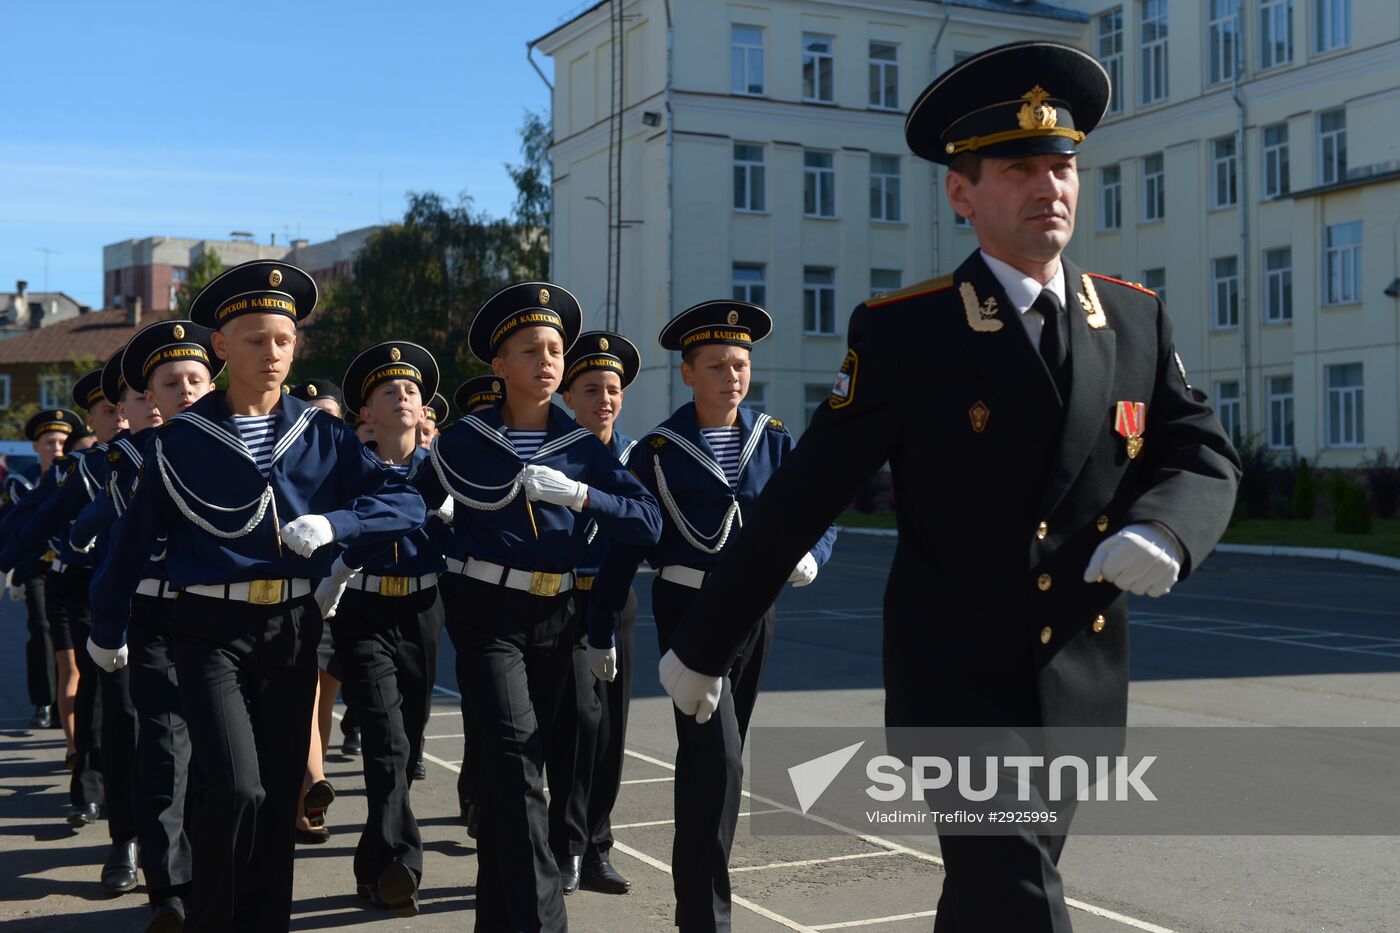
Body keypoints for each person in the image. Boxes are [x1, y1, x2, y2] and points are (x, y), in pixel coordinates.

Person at [659, 41, 1243, 933]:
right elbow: (803, 494)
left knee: (987, 898)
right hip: (957, 682)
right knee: (1018, 899)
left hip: (1076, 676)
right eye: (1020, 167)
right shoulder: (909, 332)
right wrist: (705, 645)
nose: (1051, 186)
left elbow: (1202, 452)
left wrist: (1167, 529)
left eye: (1063, 166)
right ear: (961, 193)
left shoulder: (1132, 316)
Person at [85, 259, 428, 933]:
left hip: (291, 626)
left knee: (276, 798)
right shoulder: (179, 441)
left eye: (283, 337)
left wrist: (339, 522)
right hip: (208, 627)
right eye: (253, 338)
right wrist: (107, 624)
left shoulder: (322, 434)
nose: (271, 352)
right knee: (236, 784)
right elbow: (130, 542)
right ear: (221, 347)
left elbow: (407, 503)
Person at [412, 282, 662, 931]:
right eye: (531, 349)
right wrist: (437, 542)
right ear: (499, 365)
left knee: (538, 766)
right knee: (516, 768)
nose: (548, 360)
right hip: (487, 616)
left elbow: (646, 520)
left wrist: (584, 496)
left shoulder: (584, 447)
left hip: (560, 620)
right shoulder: (462, 442)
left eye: (554, 348)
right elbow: (409, 508)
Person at [588, 300, 836, 932]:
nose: (733, 376)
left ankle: (696, 904)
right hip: (689, 608)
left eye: (742, 364)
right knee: (716, 755)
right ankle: (706, 918)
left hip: (755, 609)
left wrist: (813, 551)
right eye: (718, 365)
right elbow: (629, 541)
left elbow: (820, 505)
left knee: (719, 761)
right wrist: (599, 628)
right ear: (688, 374)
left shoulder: (773, 438)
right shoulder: (657, 451)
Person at [309, 341, 447, 914]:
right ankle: (400, 865)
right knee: (385, 740)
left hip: (421, 610)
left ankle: (373, 861)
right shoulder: (349, 466)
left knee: (408, 742)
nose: (403, 397)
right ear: (365, 412)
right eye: (388, 391)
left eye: (411, 390)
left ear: (423, 409)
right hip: (361, 612)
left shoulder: (443, 468)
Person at [552, 330, 641, 896]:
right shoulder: (550, 454)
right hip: (561, 600)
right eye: (590, 390)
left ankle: (599, 845)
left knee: (609, 729)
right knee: (572, 727)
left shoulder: (638, 459)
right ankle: (565, 847)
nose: (603, 400)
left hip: (616, 601)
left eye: (612, 390)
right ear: (568, 397)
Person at [0, 406, 104, 827]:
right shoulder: (38, 478)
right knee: (64, 657)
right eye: (50, 443)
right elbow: (26, 521)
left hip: (112, 583)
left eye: (62, 441)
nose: (56, 447)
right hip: (54, 572)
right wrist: (13, 568)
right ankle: (74, 745)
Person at [443, 373, 506, 833]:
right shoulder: (461, 454)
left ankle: (485, 796)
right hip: (471, 594)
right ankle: (477, 793)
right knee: (480, 707)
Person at [287, 377, 349, 846]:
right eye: (315, 413)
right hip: (300, 596)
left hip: (342, 595)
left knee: (324, 698)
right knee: (303, 695)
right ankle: (308, 789)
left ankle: (311, 785)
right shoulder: (300, 464)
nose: (323, 421)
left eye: (331, 413)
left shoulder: (347, 457)